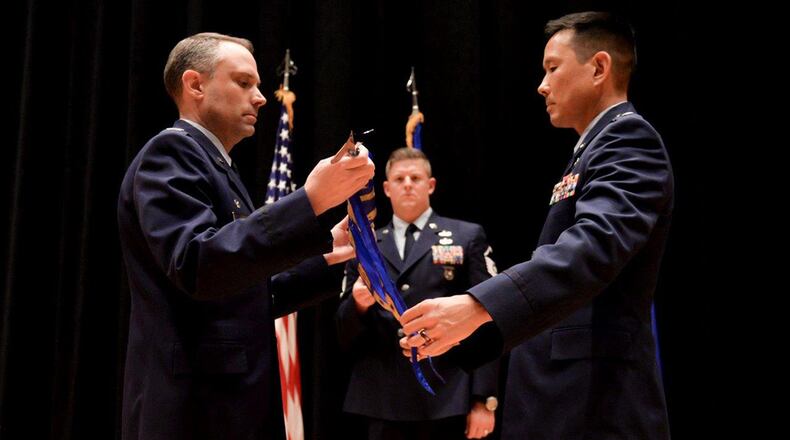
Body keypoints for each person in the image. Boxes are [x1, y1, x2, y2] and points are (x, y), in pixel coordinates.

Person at [399, 12, 673, 439]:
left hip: (595, 405)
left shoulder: (628, 140)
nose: (541, 85)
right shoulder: (592, 149)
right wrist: (469, 331)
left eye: (552, 68)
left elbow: (591, 251)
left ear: (599, 68)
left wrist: (475, 307)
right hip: (564, 398)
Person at [117, 32, 374, 440]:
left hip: (227, 404)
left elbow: (244, 289)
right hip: (193, 410)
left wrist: (329, 254)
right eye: (243, 82)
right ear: (195, 84)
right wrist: (308, 201)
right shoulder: (170, 152)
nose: (260, 97)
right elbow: (198, 265)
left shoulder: (218, 167)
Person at [337, 147, 500, 440]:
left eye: (415, 177)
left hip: (448, 394)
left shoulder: (467, 236)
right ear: (386, 188)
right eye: (399, 179)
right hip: (382, 399)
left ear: (431, 184)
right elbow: (342, 333)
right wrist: (358, 305)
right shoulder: (365, 245)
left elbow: (488, 318)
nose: (408, 184)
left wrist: (483, 399)